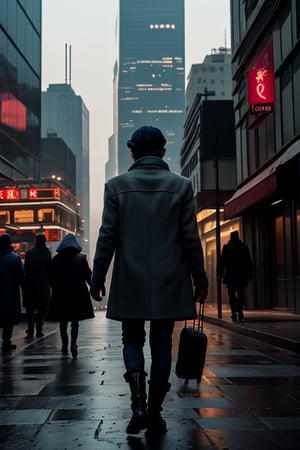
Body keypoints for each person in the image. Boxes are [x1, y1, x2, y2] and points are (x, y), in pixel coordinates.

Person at [90, 125, 208, 438]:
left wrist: (97, 277)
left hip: (130, 277)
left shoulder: (116, 187)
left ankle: (138, 404)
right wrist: (200, 277)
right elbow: (190, 239)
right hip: (170, 278)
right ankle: (155, 411)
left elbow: (107, 237)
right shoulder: (181, 186)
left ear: (132, 152)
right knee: (161, 344)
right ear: (162, 151)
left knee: (131, 340)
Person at [47, 233, 94, 359]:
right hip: (77, 295)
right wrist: (95, 289)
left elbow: (50, 278)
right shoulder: (81, 259)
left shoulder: (56, 260)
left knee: (63, 322)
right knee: (75, 322)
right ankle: (74, 342)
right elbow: (88, 277)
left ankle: (65, 343)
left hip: (61, 295)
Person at [219, 230, 253, 322]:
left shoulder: (226, 248)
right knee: (241, 293)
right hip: (241, 276)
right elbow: (249, 262)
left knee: (231, 294)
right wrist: (250, 274)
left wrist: (220, 275)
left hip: (230, 276)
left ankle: (234, 313)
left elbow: (222, 263)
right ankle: (240, 311)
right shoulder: (244, 247)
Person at [23, 233, 52, 338]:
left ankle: (30, 329)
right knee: (41, 309)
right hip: (43, 286)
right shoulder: (47, 254)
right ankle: (39, 329)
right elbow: (50, 270)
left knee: (30, 310)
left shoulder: (29, 254)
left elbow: (26, 271)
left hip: (30, 285)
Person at [0, 233, 24, 352]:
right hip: (10, 293)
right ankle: (6, 342)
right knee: (8, 320)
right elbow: (21, 277)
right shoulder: (15, 258)